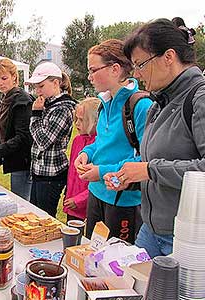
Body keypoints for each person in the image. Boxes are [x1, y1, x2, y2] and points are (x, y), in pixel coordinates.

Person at [104, 18, 205, 257]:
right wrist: (131, 177)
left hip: (186, 240)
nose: (136, 74)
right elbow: (156, 164)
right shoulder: (159, 103)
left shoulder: (199, 99)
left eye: (140, 64)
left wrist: (149, 170)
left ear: (168, 57)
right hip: (151, 230)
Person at [74, 39, 152, 244]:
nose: (89, 77)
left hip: (123, 200)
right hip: (96, 194)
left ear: (115, 69)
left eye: (93, 70)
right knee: (91, 254)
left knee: (116, 265)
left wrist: (100, 172)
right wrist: (86, 153)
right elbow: (101, 142)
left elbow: (147, 160)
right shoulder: (104, 104)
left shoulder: (141, 106)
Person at [26, 62, 76, 217]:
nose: (37, 91)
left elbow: (43, 141)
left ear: (56, 83)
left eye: (41, 86)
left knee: (45, 218)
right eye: (36, 87)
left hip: (51, 176)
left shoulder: (62, 108)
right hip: (40, 172)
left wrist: (35, 114)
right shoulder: (48, 105)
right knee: (35, 216)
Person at [0, 58, 33, 200]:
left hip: (23, 161)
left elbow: (23, 137)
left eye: (4, 78)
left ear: (14, 76)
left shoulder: (23, 100)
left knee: (21, 203)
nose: (0, 83)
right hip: (10, 158)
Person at [63, 97, 100, 222]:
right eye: (76, 119)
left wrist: (80, 200)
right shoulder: (77, 141)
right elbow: (72, 173)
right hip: (72, 203)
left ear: (94, 121)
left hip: (89, 205)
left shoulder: (100, 144)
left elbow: (98, 180)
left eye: (81, 120)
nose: (76, 124)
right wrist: (68, 194)